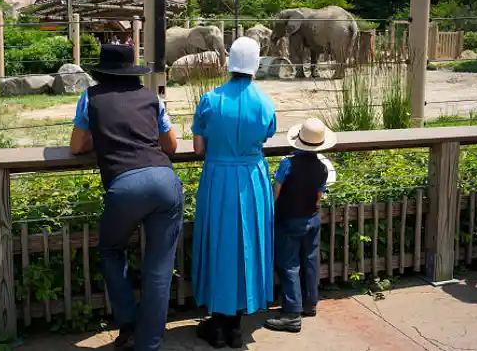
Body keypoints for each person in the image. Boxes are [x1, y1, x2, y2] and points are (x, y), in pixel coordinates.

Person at [69, 44, 183, 351]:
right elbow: (170, 145)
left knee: (111, 250)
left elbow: (77, 145)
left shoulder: (91, 98)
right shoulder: (151, 98)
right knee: (159, 269)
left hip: (124, 185)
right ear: (133, 70)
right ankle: (149, 343)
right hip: (165, 180)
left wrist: (102, 136)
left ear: (101, 72)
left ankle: (128, 325)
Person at [191, 37, 277, 349]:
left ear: (229, 62)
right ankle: (237, 328)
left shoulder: (209, 100)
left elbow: (199, 147)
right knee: (248, 245)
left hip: (217, 179)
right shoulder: (266, 103)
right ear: (255, 63)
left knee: (219, 244)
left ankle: (217, 326)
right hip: (252, 181)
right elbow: (265, 137)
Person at [263, 118, 337, 333]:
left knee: (288, 265)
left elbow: (275, 192)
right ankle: (310, 304)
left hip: (289, 220)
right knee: (310, 261)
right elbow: (318, 198)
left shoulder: (288, 163)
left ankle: (292, 313)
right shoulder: (323, 167)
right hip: (312, 219)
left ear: (298, 140)